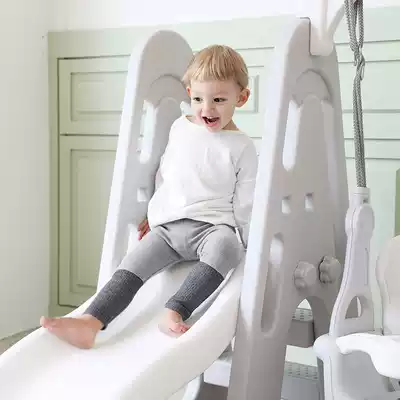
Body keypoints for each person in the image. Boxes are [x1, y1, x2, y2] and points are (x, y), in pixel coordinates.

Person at [40, 44, 258, 349]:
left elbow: (246, 201)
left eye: (219, 100)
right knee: (133, 263)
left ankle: (175, 310)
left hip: (211, 229)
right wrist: (154, 215)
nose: (207, 109)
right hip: (168, 228)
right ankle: (90, 323)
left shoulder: (242, 147)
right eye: (198, 99)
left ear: (242, 97)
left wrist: (249, 242)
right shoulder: (180, 128)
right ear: (189, 93)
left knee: (227, 247)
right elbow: (166, 173)